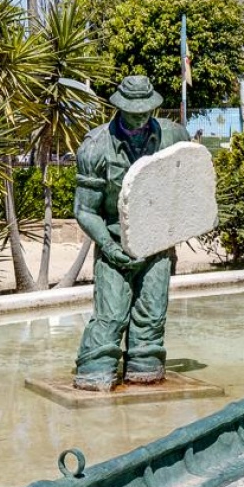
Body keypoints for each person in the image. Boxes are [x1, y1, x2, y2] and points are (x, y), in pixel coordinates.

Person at [72, 75, 190, 391]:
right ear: (119, 106)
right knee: (109, 320)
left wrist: (171, 231)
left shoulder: (174, 136)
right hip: (114, 242)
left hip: (157, 244)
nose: (140, 116)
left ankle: (145, 371)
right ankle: (94, 372)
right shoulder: (95, 147)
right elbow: (85, 210)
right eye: (132, 111)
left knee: (151, 324)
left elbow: (190, 186)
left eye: (145, 110)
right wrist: (109, 248)